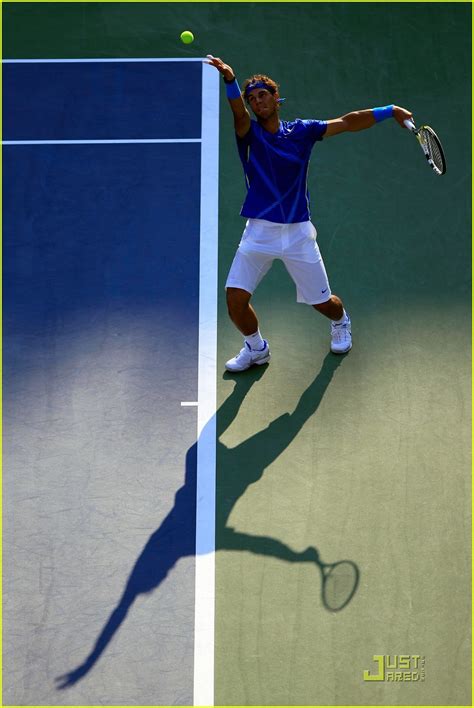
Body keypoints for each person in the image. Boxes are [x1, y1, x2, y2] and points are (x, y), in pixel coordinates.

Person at [206, 55, 413, 372]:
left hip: (298, 234)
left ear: (276, 98)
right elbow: (237, 112)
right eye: (252, 98)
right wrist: (230, 81)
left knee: (323, 303)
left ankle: (341, 321)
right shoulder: (248, 133)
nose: (257, 101)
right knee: (234, 299)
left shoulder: (302, 132)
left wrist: (390, 111)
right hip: (259, 231)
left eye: (262, 95)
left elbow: (346, 122)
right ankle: (256, 348)